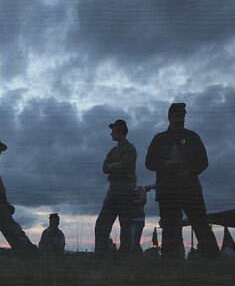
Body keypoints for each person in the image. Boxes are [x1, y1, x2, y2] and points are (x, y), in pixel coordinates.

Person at [145, 103, 220, 260]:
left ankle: (213, 260)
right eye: (178, 116)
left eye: (183, 116)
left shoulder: (192, 136)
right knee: (170, 228)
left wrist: (187, 168)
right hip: (168, 190)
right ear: (170, 117)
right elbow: (149, 162)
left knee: (200, 224)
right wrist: (166, 164)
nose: (181, 119)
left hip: (189, 188)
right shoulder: (159, 138)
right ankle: (170, 264)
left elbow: (204, 162)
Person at [94, 119, 138, 254]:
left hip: (126, 189)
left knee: (125, 226)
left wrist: (113, 166)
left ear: (120, 131)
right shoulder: (113, 151)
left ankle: (125, 257)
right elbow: (104, 167)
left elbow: (126, 165)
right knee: (102, 224)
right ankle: (101, 255)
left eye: (113, 130)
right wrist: (115, 166)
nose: (111, 133)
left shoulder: (130, 148)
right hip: (113, 189)